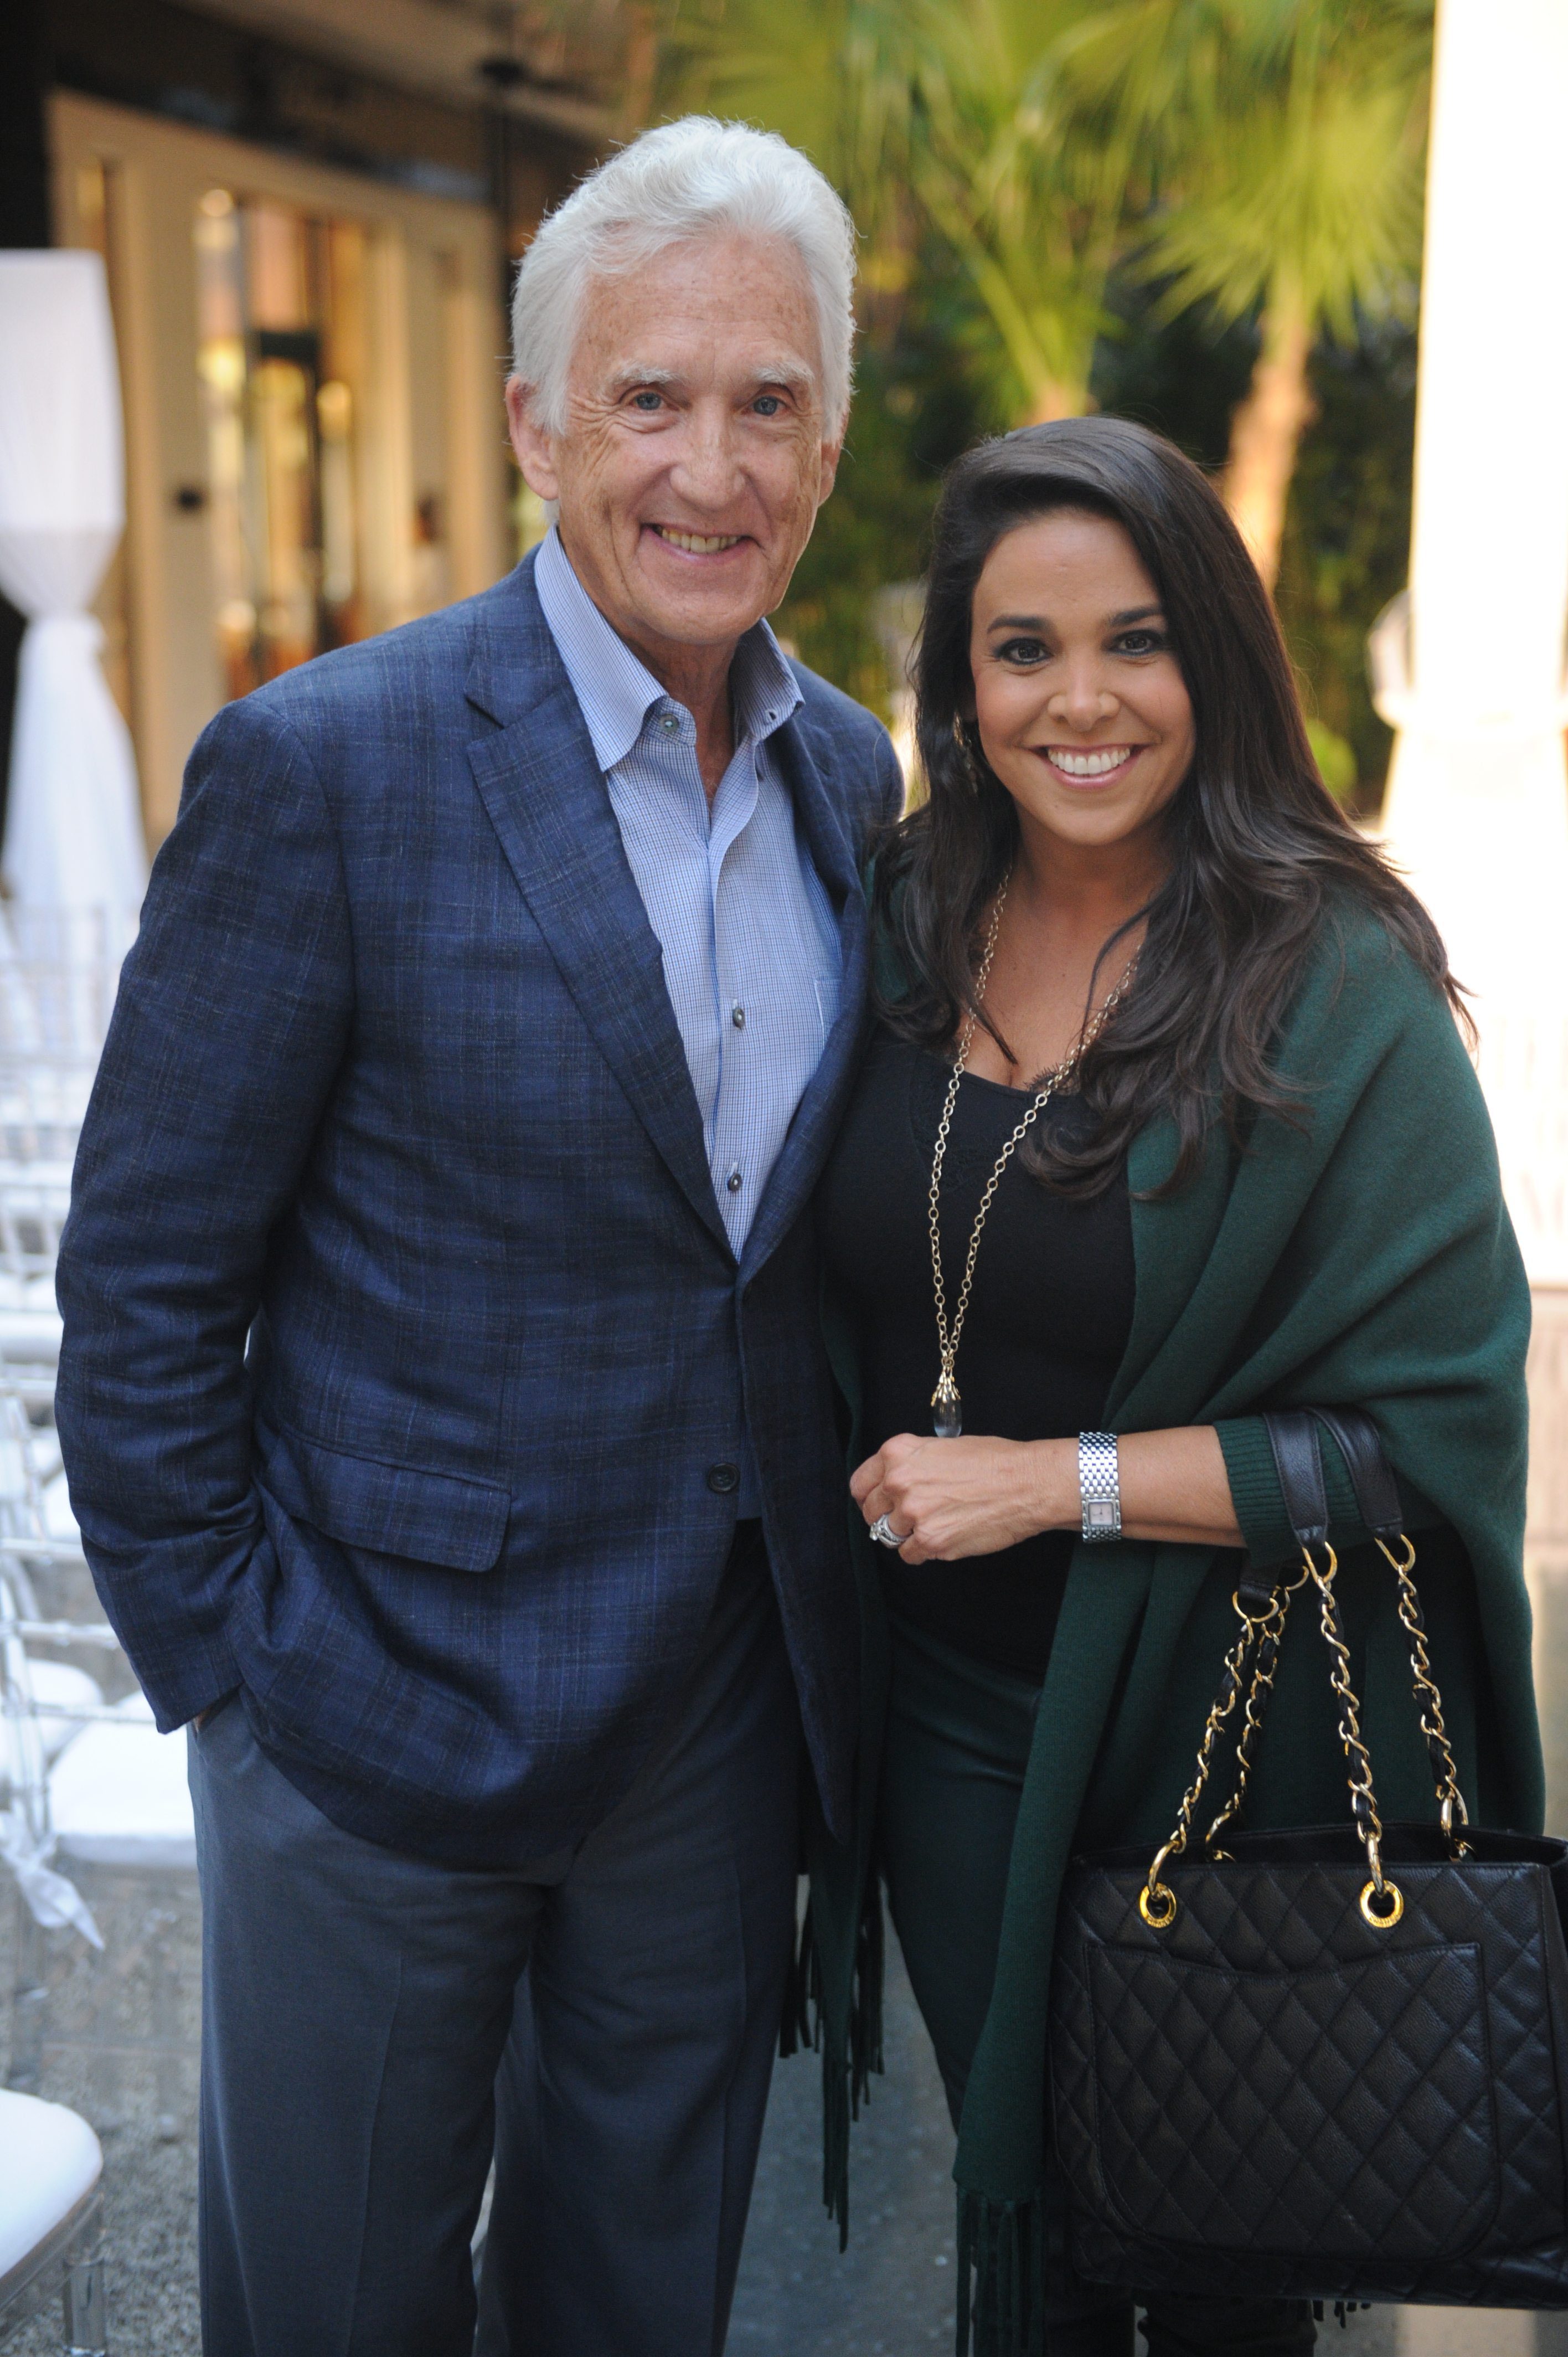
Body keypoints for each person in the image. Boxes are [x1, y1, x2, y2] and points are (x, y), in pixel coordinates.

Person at [55, 116, 904, 2357]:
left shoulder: (854, 782)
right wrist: (235, 1681)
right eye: (650, 397)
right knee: (333, 2309)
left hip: (716, 1731)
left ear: (829, 437)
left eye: (768, 400)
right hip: (366, 1715)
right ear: (537, 422)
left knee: (644, 2309)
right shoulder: (325, 767)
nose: (711, 465)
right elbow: (143, 1280)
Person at [813, 416, 1539, 2356]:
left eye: (1134, 641)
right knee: (1034, 2239)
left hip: (1221, 1730)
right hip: (953, 1736)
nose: (1082, 701)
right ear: (961, 685)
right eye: (1022, 647)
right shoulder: (902, 919)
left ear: (1212, 657)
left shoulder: (1337, 975)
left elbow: (1433, 1435)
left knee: (1221, 2258)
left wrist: (1058, 1481)